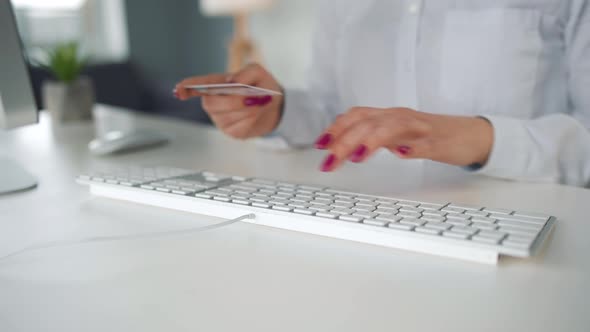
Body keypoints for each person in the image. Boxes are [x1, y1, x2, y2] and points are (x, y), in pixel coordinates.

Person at [175, 1, 590, 187]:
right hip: (370, 221)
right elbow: (329, 111)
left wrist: (464, 137)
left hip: (526, 239)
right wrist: (275, 112)